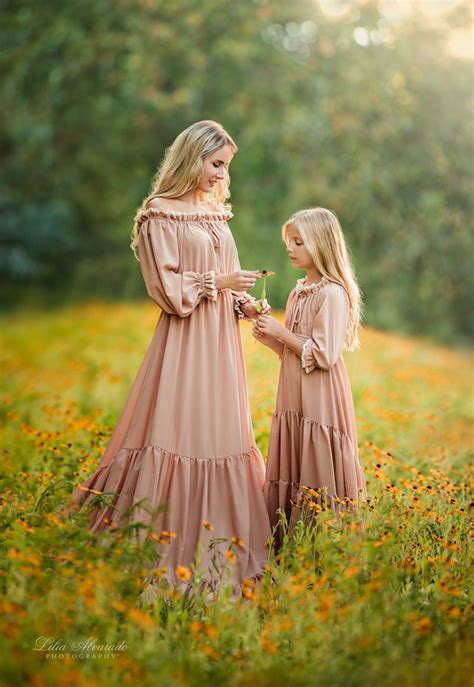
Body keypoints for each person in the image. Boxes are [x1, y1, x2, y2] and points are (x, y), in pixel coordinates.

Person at [69, 120, 271, 590]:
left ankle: (226, 542)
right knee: (181, 429)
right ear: (192, 157)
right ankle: (162, 541)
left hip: (220, 340)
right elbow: (166, 289)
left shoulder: (213, 213)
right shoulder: (159, 214)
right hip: (185, 340)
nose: (221, 176)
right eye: (215, 164)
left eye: (226, 167)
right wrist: (218, 284)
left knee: (223, 432)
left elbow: (222, 274)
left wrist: (243, 302)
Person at [253, 207, 366, 550]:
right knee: (293, 461)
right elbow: (291, 352)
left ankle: (322, 550)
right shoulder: (298, 291)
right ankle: (287, 546)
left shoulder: (332, 294)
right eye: (289, 242)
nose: (290, 249)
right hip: (293, 395)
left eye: (299, 242)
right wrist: (263, 328)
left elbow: (323, 354)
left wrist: (281, 332)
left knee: (316, 468)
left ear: (320, 244)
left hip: (319, 398)